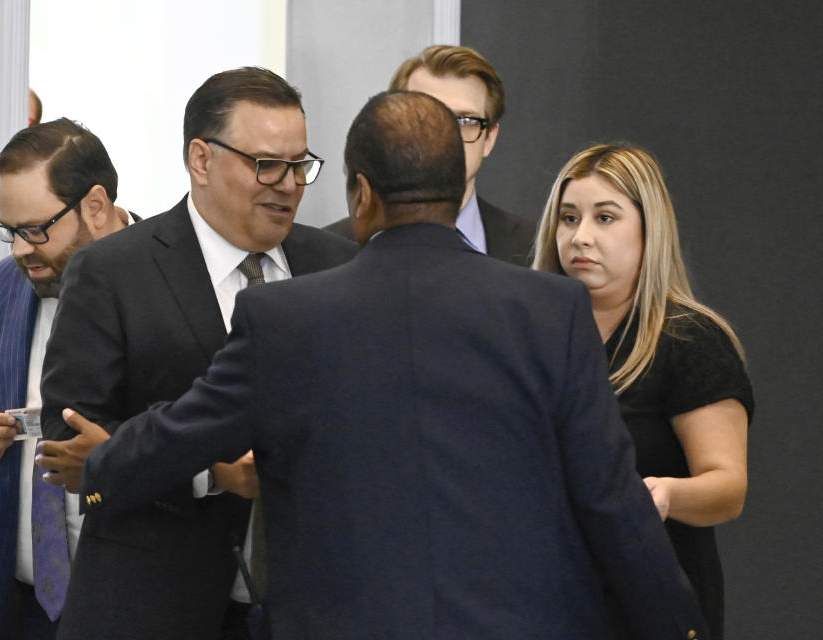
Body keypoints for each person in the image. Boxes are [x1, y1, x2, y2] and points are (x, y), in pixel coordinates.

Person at [39, 91, 709, 640]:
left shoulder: (287, 318)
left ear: (361, 195)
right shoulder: (551, 310)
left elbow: (186, 429)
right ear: (456, 186)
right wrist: (681, 628)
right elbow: (612, 500)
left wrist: (98, 467)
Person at [37, 67, 357, 640]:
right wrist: (210, 472)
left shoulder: (341, 265)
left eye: (300, 165)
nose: (288, 184)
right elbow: (72, 442)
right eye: (265, 164)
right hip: (151, 605)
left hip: (313, 606)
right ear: (201, 160)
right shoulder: (113, 271)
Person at [533, 143, 752, 639]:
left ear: (648, 228)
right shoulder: (531, 332)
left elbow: (727, 487)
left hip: (647, 602)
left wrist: (663, 495)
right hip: (546, 598)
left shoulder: (688, 339)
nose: (580, 236)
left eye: (605, 218)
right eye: (569, 218)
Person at [0, 118, 134, 640]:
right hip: (20, 605)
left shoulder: (168, 279)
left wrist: (114, 456)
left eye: (35, 230)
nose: (19, 250)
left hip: (136, 604)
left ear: (95, 207)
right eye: (9, 230)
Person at [324, 44, 535, 264]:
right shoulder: (329, 249)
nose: (446, 133)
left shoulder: (536, 248)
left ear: (489, 138)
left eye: (465, 121)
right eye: (425, 117)